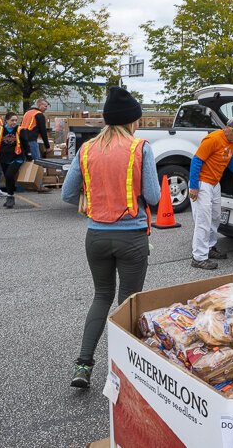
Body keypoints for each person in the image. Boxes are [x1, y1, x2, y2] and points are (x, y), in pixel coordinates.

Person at [61, 86, 161, 388]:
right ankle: (123, 371)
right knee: (126, 303)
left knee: (101, 297)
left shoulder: (86, 149)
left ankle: (83, 365)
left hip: (96, 236)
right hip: (131, 237)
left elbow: (67, 194)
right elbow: (154, 196)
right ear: (132, 121)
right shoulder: (140, 147)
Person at [189, 117, 233, 270]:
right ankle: (198, 257)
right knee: (203, 220)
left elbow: (229, 160)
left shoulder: (230, 142)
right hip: (202, 183)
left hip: (214, 183)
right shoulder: (213, 139)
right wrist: (193, 186)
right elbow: (196, 161)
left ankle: (210, 248)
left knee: (215, 217)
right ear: (232, 129)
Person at [0, 112, 31, 209]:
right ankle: (10, 195)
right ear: (6, 120)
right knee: (7, 177)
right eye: (12, 120)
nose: (14, 122)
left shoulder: (20, 130)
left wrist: (29, 156)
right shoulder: (0, 129)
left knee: (10, 175)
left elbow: (26, 144)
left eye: (15, 120)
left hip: (17, 157)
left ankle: (10, 197)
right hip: (3, 157)